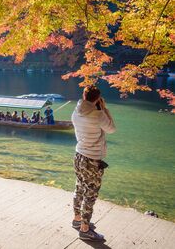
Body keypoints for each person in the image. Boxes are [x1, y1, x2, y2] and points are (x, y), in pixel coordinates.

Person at [71, 86, 116, 242]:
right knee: (90, 194)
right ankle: (85, 229)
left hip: (79, 156)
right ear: (98, 98)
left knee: (79, 186)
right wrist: (104, 109)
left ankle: (77, 219)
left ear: (84, 95)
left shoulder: (75, 112)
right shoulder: (98, 115)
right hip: (92, 160)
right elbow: (111, 129)